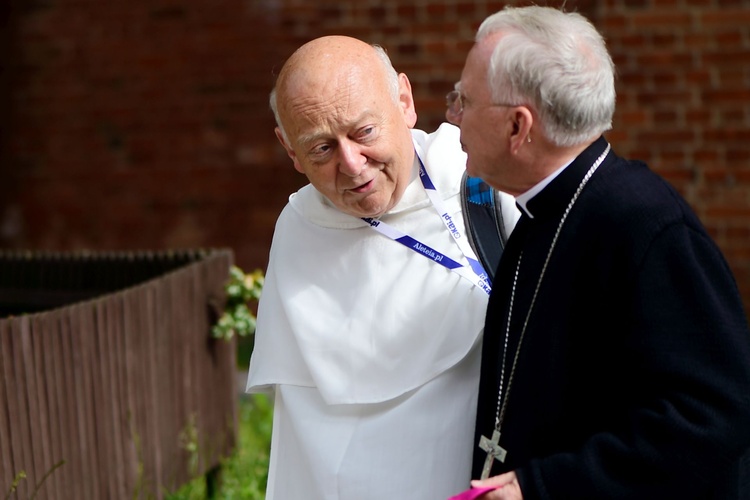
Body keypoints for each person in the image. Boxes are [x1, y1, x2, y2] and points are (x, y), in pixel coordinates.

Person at [445, 5, 750, 499]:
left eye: (464, 100)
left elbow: (713, 417)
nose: (453, 116)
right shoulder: (541, 213)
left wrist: (544, 486)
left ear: (518, 128)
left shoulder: (646, 224)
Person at [245, 35, 519, 499]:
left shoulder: (484, 181)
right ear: (290, 150)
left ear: (405, 102)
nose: (351, 165)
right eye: (320, 149)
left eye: (363, 132)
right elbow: (303, 436)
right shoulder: (297, 232)